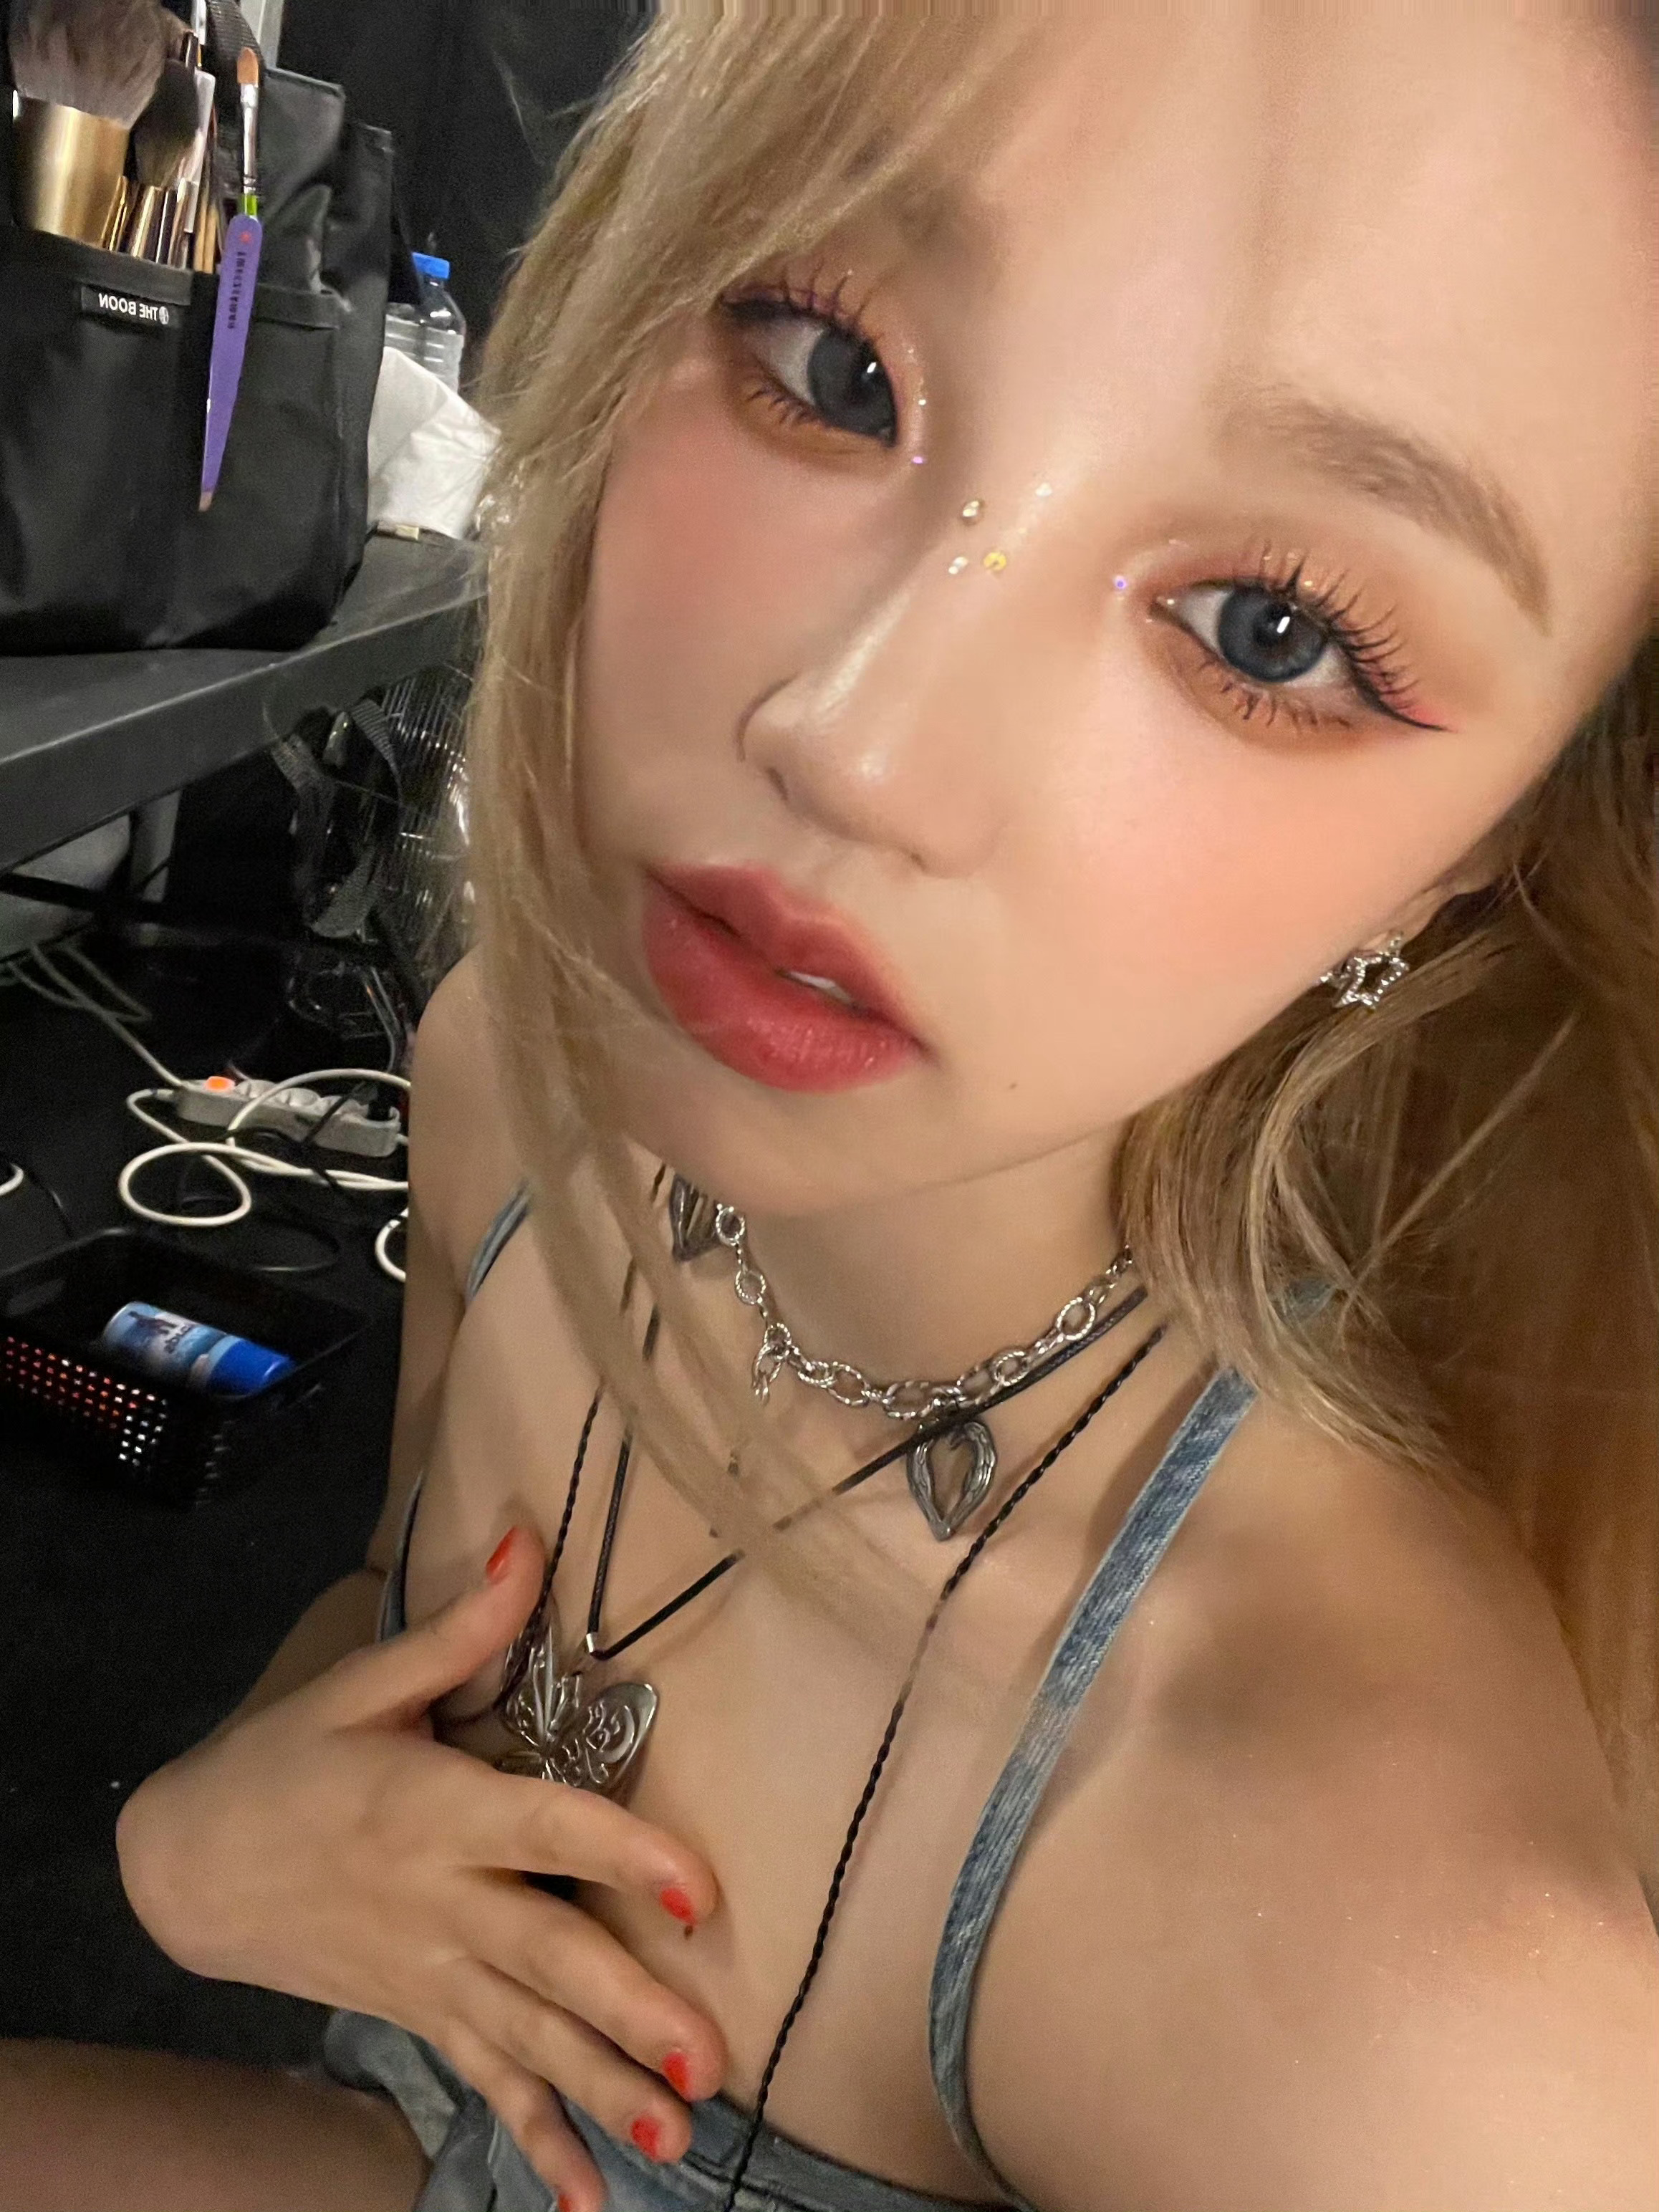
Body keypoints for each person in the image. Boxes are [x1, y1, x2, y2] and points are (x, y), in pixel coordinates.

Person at [6, 6, 1658, 2209]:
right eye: (836, 366)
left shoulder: (1415, 2016)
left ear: (1487, 848)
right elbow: (406, 1618)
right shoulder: (514, 1076)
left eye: (1269, 631)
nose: (850, 739)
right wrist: (209, 1849)